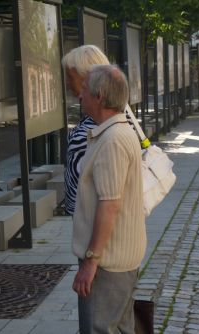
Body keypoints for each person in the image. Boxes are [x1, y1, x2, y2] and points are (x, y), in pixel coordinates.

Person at [72, 64, 146, 333]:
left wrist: (91, 261)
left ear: (99, 95)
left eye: (84, 90)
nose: (80, 96)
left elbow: (110, 204)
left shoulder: (113, 140)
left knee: (100, 328)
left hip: (108, 264)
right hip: (118, 260)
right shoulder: (118, 133)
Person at [61, 45, 110, 215]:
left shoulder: (101, 121)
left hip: (91, 220)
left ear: (86, 77)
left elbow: (108, 195)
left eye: (69, 76)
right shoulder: (100, 115)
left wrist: (96, 241)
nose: (67, 82)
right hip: (84, 219)